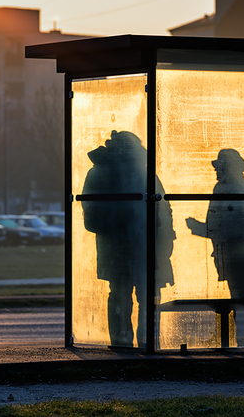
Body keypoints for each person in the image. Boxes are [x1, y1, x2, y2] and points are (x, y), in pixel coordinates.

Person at [82, 130, 175, 348]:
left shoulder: (100, 173)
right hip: (134, 248)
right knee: (142, 296)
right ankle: (145, 342)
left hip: (124, 249)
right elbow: (164, 210)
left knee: (123, 296)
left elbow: (162, 210)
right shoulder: (142, 174)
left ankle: (124, 342)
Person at [186, 149, 244, 303]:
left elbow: (229, 226)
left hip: (239, 255)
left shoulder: (226, 188)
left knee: (241, 304)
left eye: (219, 167)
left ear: (227, 167)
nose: (216, 171)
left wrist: (199, 228)